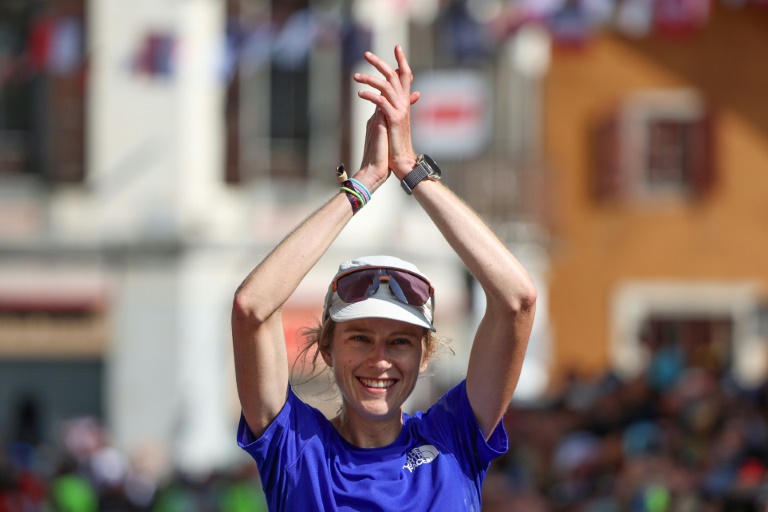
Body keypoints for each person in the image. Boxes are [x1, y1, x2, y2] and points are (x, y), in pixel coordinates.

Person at [231, 45, 537, 511]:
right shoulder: (294, 447)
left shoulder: (453, 435)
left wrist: (412, 170)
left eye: (399, 342)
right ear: (327, 348)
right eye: (360, 338)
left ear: (423, 354)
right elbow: (253, 307)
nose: (380, 361)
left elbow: (517, 299)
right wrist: (365, 183)